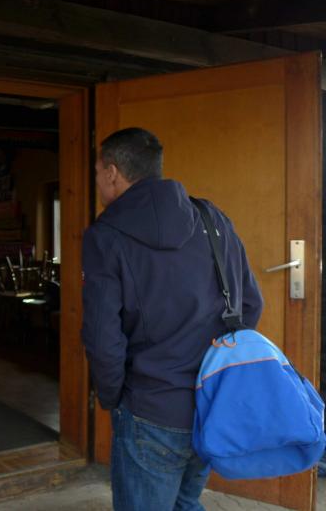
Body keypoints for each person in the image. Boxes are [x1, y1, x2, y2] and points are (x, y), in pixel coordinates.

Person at [81, 127, 263, 511]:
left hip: (151, 406)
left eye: (96, 172)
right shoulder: (211, 218)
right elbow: (250, 303)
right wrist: (217, 371)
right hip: (212, 403)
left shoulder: (105, 236)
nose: (96, 181)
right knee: (186, 503)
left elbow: (102, 336)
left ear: (112, 172)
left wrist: (113, 397)